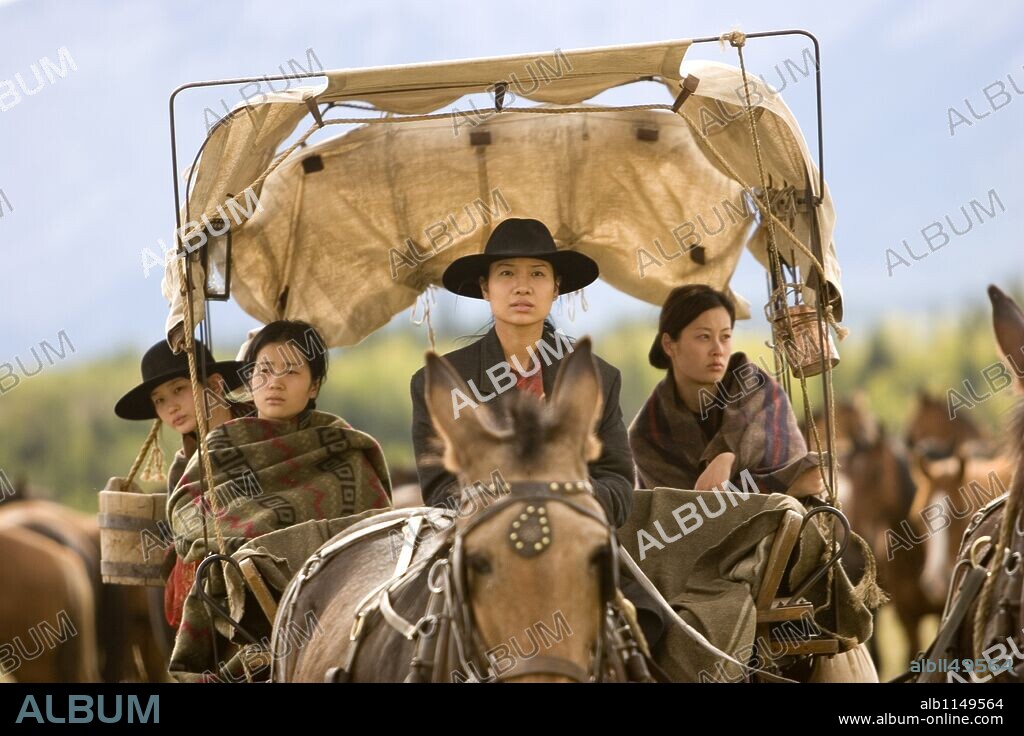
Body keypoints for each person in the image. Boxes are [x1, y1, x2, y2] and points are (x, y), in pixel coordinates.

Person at [409, 217, 634, 527]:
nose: (523, 287)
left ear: (555, 288)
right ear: (485, 287)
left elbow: (619, 487)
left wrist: (564, 491)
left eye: (538, 274)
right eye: (506, 273)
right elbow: (441, 494)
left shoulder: (597, 379)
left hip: (576, 543)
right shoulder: (443, 382)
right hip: (483, 546)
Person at [629, 284, 823, 496]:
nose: (718, 350)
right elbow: (691, 512)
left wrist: (728, 455)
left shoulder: (763, 393)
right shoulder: (648, 432)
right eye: (704, 337)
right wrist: (787, 485)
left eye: (725, 337)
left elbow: (806, 476)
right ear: (669, 345)